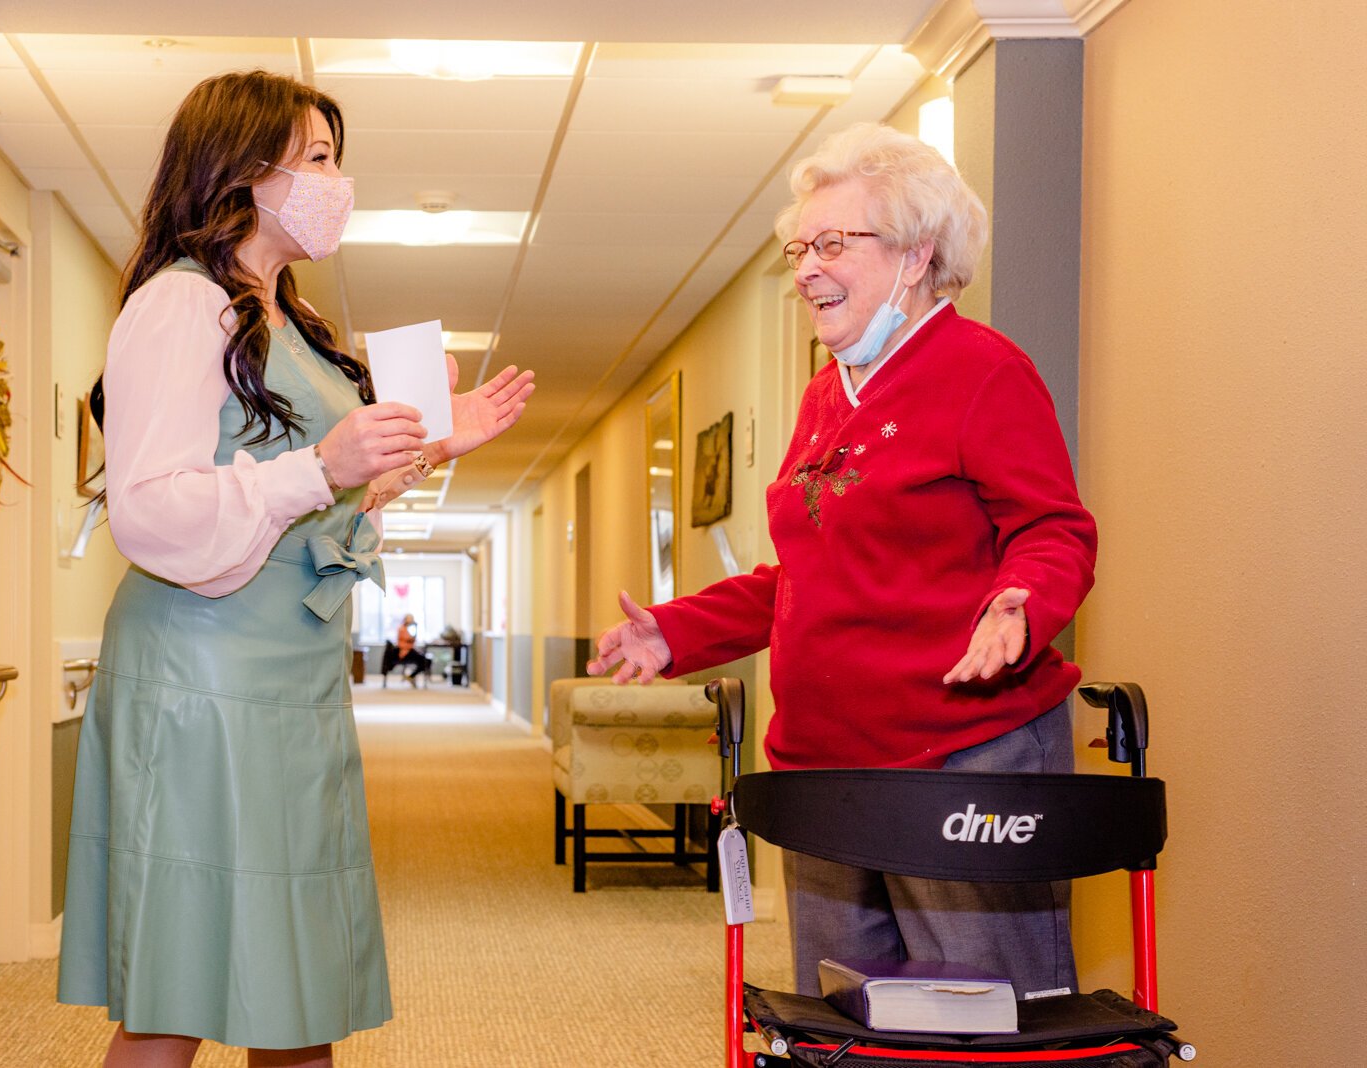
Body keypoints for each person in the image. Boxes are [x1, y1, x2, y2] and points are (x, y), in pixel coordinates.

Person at [56, 71, 534, 1067]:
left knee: (299, 976)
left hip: (288, 671)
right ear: (242, 168)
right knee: (179, 984)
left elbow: (307, 505)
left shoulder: (292, 318)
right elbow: (151, 511)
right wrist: (322, 462)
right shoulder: (182, 306)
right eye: (315, 159)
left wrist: (416, 450)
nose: (336, 180)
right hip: (204, 677)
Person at [589, 123, 1097, 1001]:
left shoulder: (983, 371)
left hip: (962, 752)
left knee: (977, 1019)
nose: (806, 269)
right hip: (829, 763)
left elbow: (1055, 527)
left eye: (832, 244)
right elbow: (806, 574)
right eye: (799, 248)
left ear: (915, 255)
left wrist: (1020, 600)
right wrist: (675, 634)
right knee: (843, 1017)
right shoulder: (829, 393)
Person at [394, 613, 431, 685]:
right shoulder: (402, 628)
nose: (412, 620)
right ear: (405, 619)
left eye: (412, 618)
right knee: (425, 661)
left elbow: (412, 640)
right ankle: (411, 676)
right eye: (410, 618)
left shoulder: (410, 628)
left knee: (426, 661)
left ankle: (411, 676)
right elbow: (409, 639)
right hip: (405, 652)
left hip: (410, 650)